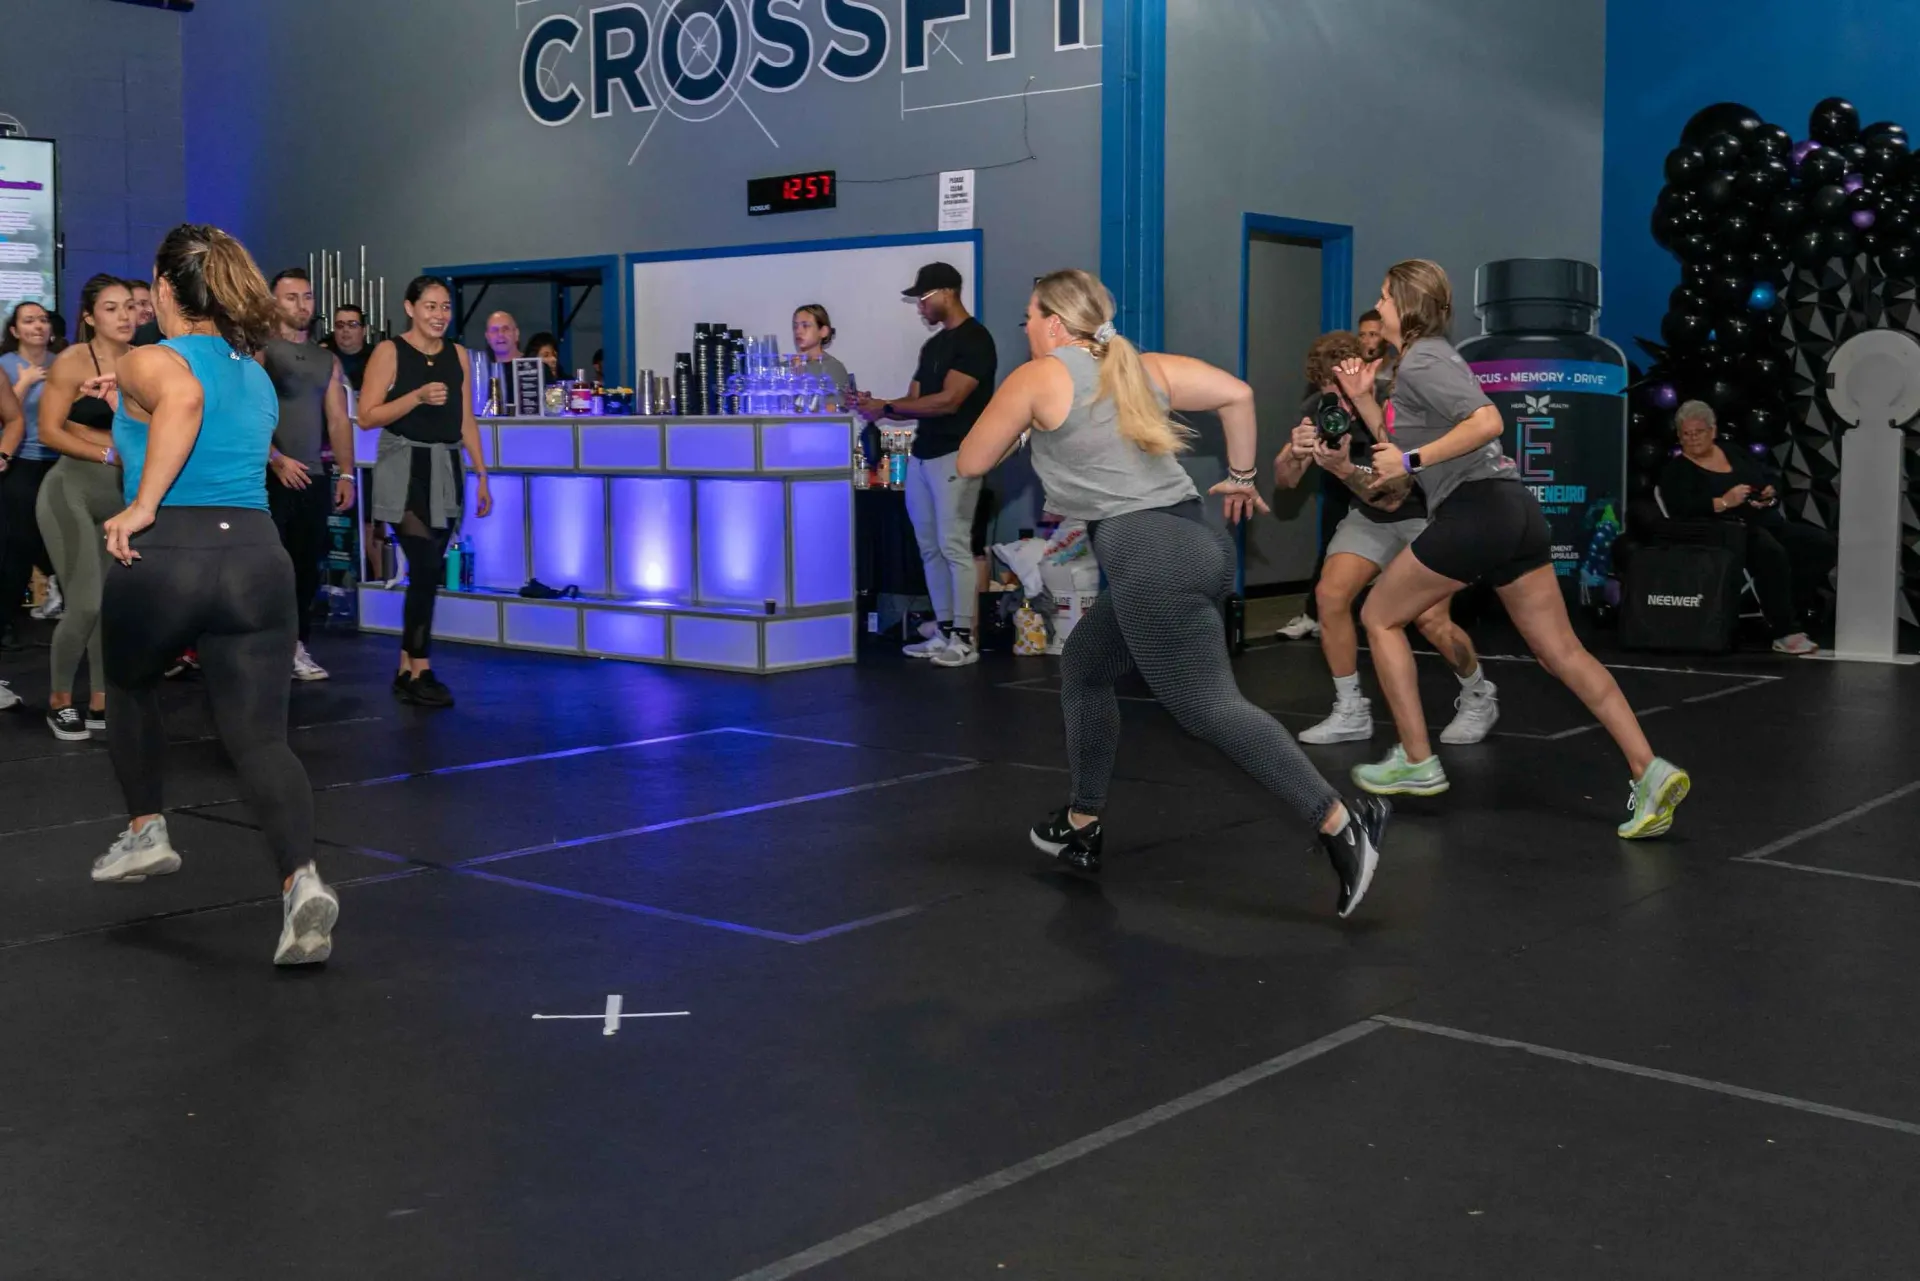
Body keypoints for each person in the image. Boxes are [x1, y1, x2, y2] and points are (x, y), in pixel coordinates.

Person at [954, 269, 1389, 914]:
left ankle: (1338, 821)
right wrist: (1241, 475)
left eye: (1027, 317)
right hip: (1192, 542)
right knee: (1085, 669)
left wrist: (1022, 430)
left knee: (1206, 707)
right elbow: (1237, 394)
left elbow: (969, 460)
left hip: (1146, 556)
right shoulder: (1138, 367)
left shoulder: (1037, 378)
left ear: (1052, 323)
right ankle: (1082, 823)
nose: (1023, 329)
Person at [1345, 259, 1688, 837]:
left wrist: (1408, 460)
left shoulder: (1425, 358)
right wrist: (1364, 402)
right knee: (1562, 653)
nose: (1376, 309)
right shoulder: (1421, 364)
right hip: (1512, 514)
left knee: (1379, 617)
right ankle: (1649, 771)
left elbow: (1486, 421)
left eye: (1383, 298)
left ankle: (1417, 758)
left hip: (1479, 510)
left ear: (1405, 305)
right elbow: (1411, 449)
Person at [92, 222, 339, 966]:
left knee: (130, 687)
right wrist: (123, 403)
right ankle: (302, 883)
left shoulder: (153, 359)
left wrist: (141, 505)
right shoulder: (254, 369)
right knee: (260, 737)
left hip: (170, 552)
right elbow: (194, 410)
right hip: (256, 559)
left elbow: (183, 400)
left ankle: (145, 828)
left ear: (164, 289)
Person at [1274, 331, 1495, 745]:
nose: (1337, 403)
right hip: (1369, 516)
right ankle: (1351, 709)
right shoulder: (1321, 409)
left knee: (1431, 619)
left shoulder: (1394, 405)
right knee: (1330, 596)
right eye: (1328, 392)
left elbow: (1394, 496)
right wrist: (1294, 451)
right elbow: (1285, 482)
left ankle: (1478, 693)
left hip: (1424, 512)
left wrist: (1340, 470)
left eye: (1342, 390)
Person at [357, 277, 493, 708]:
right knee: (426, 564)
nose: (439, 315)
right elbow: (367, 416)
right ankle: (421, 666)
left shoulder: (458, 355)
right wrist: (415, 397)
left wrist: (482, 472)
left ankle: (405, 669)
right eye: (430, 306)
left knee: (430, 565)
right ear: (410, 308)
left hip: (446, 467)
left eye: (445, 307)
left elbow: (465, 417)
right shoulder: (389, 352)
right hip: (405, 467)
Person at [853, 262, 997, 668]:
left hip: (958, 453)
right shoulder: (932, 347)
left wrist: (888, 406)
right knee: (929, 548)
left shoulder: (976, 340)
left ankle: (965, 639)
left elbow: (950, 400)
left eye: (924, 298)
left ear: (947, 292)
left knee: (954, 546)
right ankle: (946, 631)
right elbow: (912, 402)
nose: (920, 306)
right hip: (922, 454)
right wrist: (876, 405)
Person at [30, 279, 134, 738]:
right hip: (69, 492)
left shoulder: (147, 362)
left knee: (108, 607)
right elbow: (50, 432)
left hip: (120, 500)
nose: (125, 316)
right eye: (111, 308)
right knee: (85, 603)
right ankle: (58, 699)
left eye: (130, 306)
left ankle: (100, 700)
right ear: (90, 317)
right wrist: (108, 452)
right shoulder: (74, 362)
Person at [1659, 400, 1833, 655]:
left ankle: (1790, 609)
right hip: (1725, 531)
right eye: (1686, 434)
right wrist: (1723, 502)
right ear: (1679, 436)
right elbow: (1680, 508)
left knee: (1821, 544)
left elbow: (1764, 478)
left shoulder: (1733, 451)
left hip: (1763, 520)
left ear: (1713, 431)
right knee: (1770, 551)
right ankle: (1784, 631)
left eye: (1699, 432)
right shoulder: (1677, 470)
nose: (1693, 438)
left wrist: (1769, 494)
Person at [263, 268, 357, 681]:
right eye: (291, 298)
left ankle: (296, 646)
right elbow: (240, 408)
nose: (302, 306)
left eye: (307, 297)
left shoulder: (327, 359)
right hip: (268, 474)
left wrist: (347, 475)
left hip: (313, 476)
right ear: (273, 303)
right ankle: (262, 648)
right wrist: (275, 458)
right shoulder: (256, 349)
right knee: (268, 568)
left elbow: (338, 420)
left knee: (305, 567)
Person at [2, 302, 61, 628]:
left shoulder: (63, 363)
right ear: (15, 331)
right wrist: (24, 384)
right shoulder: (6, 365)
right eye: (29, 321)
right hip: (20, 459)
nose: (38, 326)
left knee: (60, 535)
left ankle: (62, 595)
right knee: (20, 540)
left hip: (60, 459)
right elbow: (5, 419)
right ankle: (7, 621)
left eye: (42, 320)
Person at [792, 304, 851, 397]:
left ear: (823, 331)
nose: (798, 331)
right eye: (795, 326)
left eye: (805, 325)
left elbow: (832, 406)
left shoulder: (833, 368)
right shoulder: (785, 368)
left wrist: (800, 378)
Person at [474, 310, 521, 412]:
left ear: (516, 334)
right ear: (487, 337)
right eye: (494, 330)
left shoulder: (537, 369)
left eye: (506, 329)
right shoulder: (478, 375)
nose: (500, 334)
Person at [322, 304, 373, 392]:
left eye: (352, 325)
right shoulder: (323, 356)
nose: (345, 330)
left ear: (364, 330)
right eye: (340, 325)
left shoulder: (376, 356)